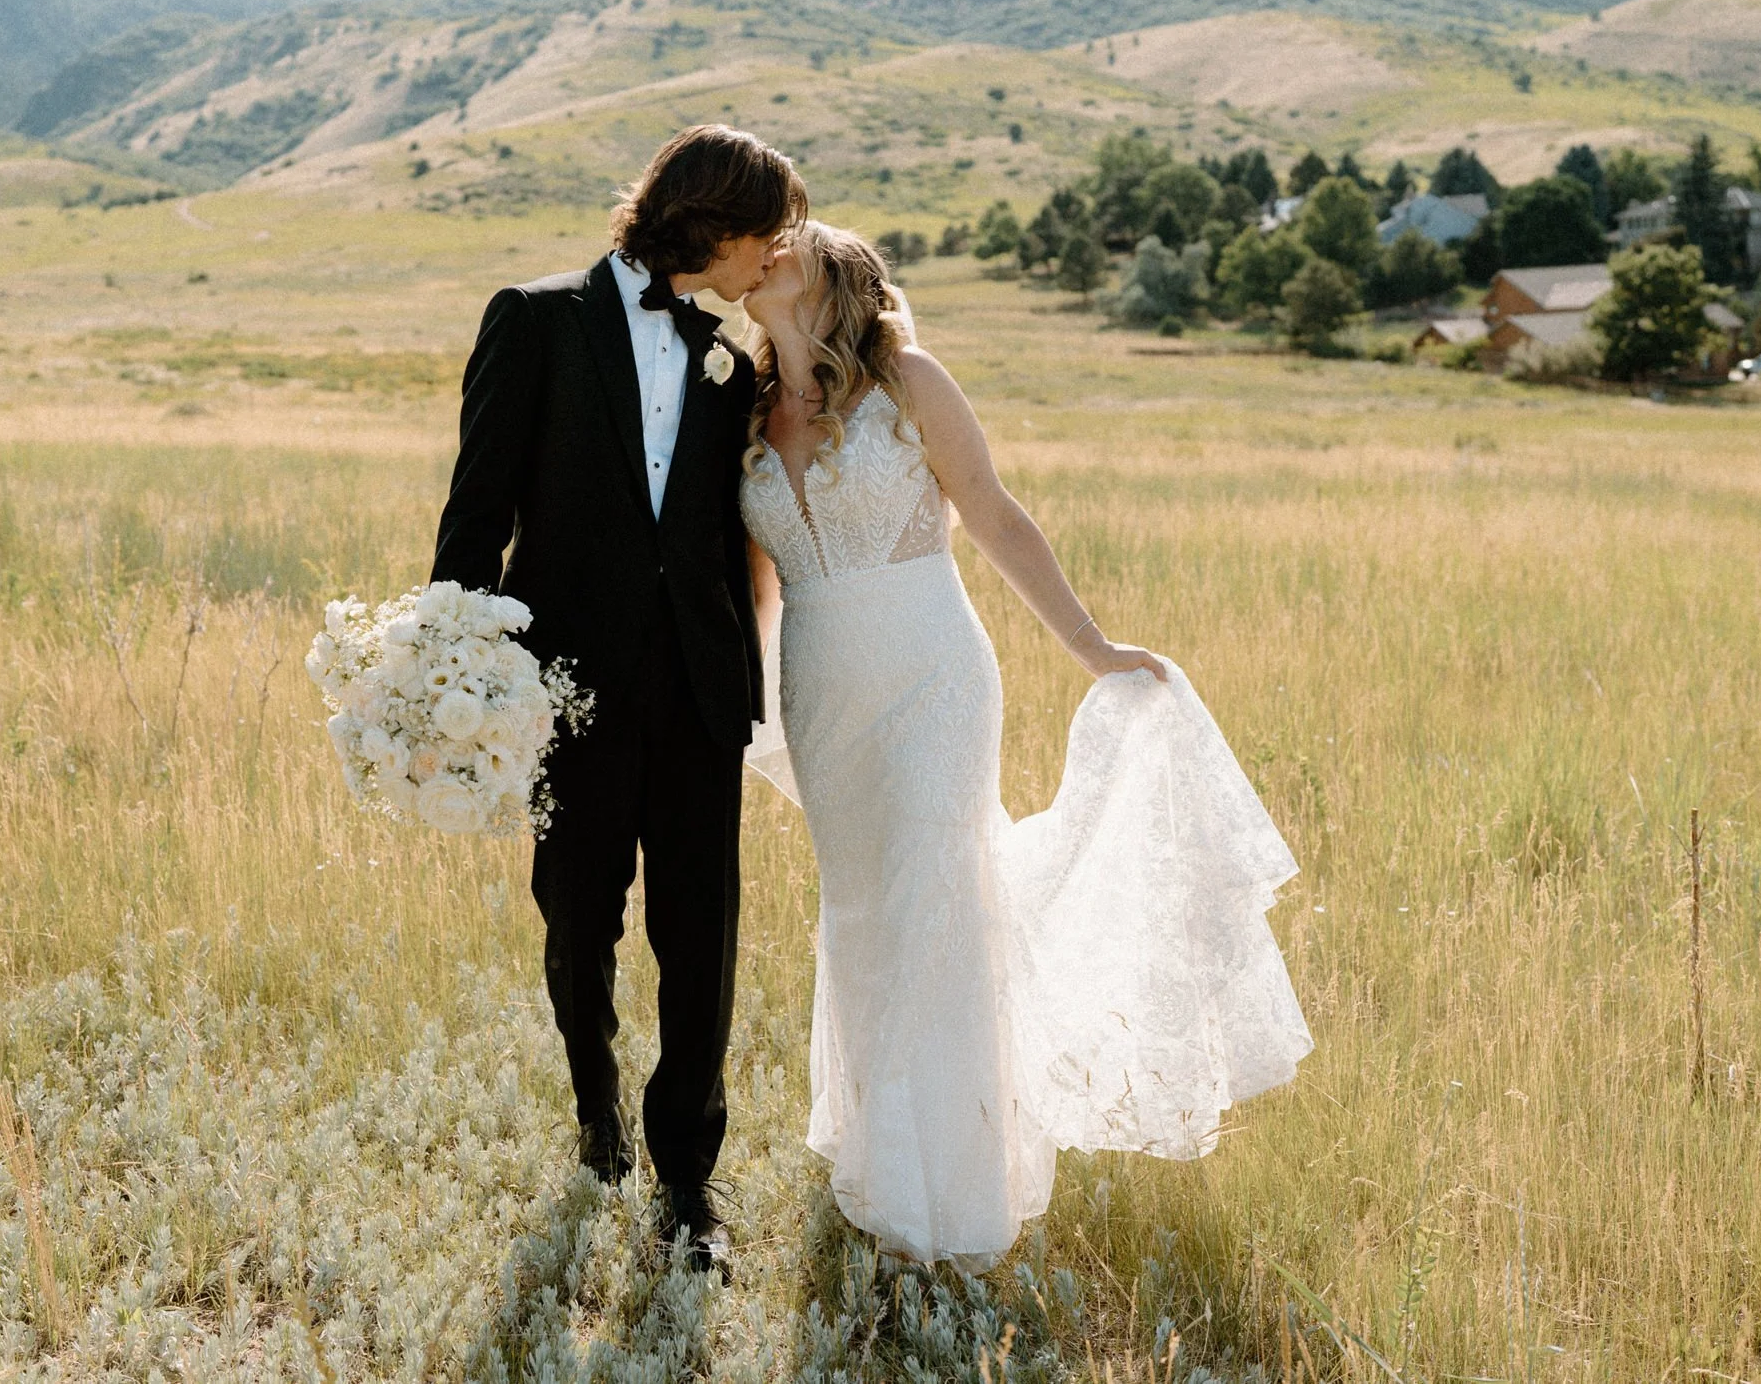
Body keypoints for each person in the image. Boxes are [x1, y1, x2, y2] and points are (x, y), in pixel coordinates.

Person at [739, 221, 1313, 1267]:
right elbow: (753, 590)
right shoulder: (743, 412)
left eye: (789, 245)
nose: (766, 253)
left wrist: (1093, 645)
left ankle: (950, 1198)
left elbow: (995, 515)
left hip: (932, 679)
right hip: (823, 692)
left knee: (937, 900)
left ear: (835, 280)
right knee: (864, 913)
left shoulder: (907, 378)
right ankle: (880, 1160)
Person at [430, 124, 806, 1276]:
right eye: (768, 235)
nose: (773, 259)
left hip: (698, 692)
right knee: (575, 917)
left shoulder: (732, 362)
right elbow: (475, 511)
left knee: (702, 937)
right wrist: (462, 677)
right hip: (567, 694)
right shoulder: (534, 319)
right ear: (719, 225)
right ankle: (597, 1120)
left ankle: (689, 1181)